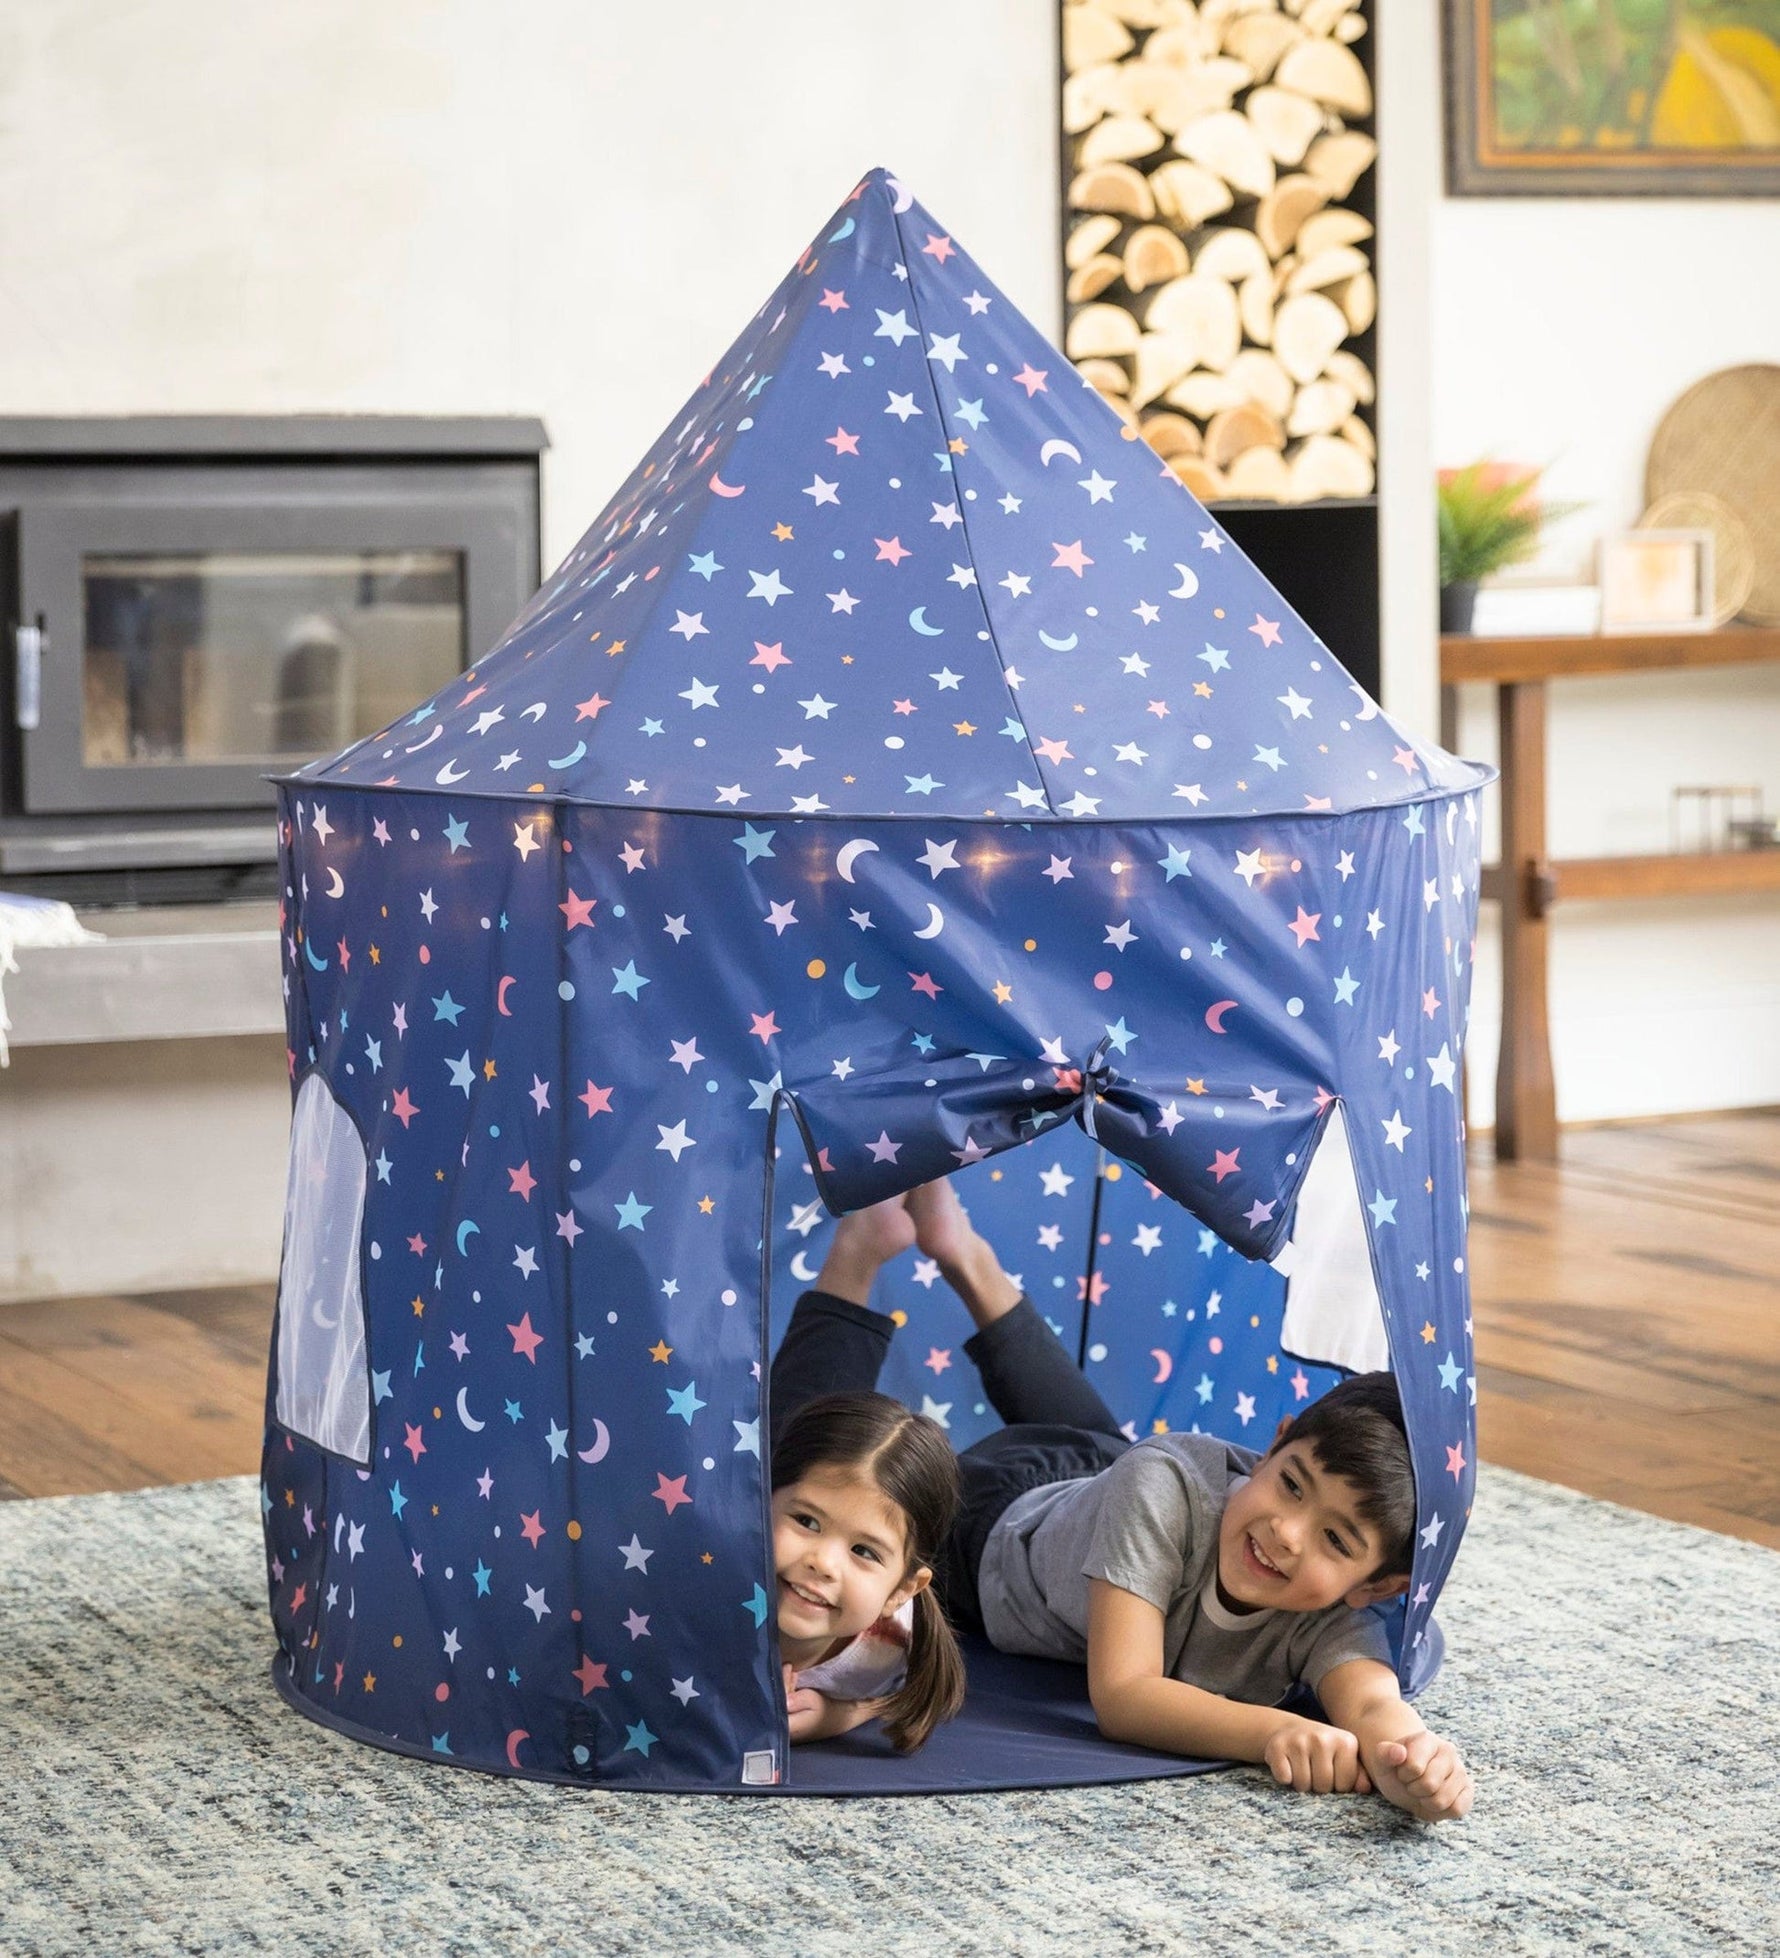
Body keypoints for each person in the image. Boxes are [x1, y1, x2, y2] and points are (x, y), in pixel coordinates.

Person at [770, 1177, 1473, 1822]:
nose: (1288, 1533)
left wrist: (1413, 1759)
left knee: (1099, 1444)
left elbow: (1373, 1703)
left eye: (1336, 1541)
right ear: (1274, 1444)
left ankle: (963, 1252)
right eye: (1290, 1483)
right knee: (819, 1469)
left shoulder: (1333, 1607)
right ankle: (860, 1251)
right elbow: (1126, 1695)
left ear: (1376, 1584)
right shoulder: (1165, 1484)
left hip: (1104, 1476)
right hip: (994, 1526)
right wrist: (1276, 1731)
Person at [768, 1377, 966, 1751]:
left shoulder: (885, 1653)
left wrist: (835, 1715)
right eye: (807, 1521)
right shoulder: (703, 1587)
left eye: (864, 1551)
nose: (823, 1563)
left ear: (902, 1591)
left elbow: (897, 1698)